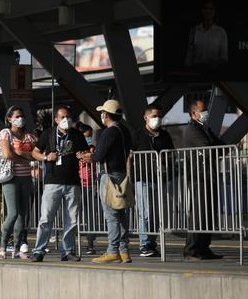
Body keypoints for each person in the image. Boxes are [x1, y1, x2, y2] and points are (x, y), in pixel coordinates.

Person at [29, 106, 89, 262]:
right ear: (56, 119)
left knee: (72, 220)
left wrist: (83, 155)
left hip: (73, 183)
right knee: (46, 218)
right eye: (62, 117)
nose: (65, 120)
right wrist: (45, 157)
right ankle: (39, 251)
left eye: (68, 117)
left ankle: (67, 251)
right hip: (52, 182)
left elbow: (86, 153)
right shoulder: (48, 134)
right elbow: (34, 152)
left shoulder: (77, 135)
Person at [82, 100, 134, 264]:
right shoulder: (124, 130)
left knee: (111, 216)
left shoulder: (109, 132)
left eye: (102, 113)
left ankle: (112, 251)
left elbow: (99, 157)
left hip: (109, 176)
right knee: (122, 213)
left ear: (106, 115)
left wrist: (89, 157)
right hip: (122, 175)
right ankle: (124, 251)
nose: (101, 116)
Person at [182, 100, 224, 260]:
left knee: (209, 214)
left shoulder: (204, 128)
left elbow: (219, 145)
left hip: (209, 176)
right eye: (203, 110)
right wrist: (216, 148)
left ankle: (204, 248)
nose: (206, 112)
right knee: (199, 214)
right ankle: (191, 250)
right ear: (194, 114)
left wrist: (218, 148)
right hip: (198, 177)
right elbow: (208, 148)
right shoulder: (192, 130)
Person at [133, 104, 174, 258]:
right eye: (154, 116)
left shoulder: (165, 135)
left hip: (159, 179)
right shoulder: (137, 135)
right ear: (146, 117)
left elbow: (171, 153)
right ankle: (144, 244)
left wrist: (166, 163)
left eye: (159, 116)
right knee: (145, 213)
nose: (157, 119)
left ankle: (152, 243)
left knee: (156, 214)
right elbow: (130, 156)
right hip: (142, 179)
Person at [0, 106, 36, 260]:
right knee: (12, 213)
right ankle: (3, 247)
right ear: (9, 119)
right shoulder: (5, 133)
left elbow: (35, 153)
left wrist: (22, 154)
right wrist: (26, 158)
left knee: (22, 215)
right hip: (11, 178)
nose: (20, 119)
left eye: (22, 116)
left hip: (26, 177)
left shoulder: (28, 136)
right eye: (17, 116)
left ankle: (17, 248)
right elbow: (7, 154)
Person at [184, 0, 228, 70]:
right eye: (205, 8)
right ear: (202, 11)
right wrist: (187, 68)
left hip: (214, 70)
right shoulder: (194, 30)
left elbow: (224, 57)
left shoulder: (221, 32)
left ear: (214, 12)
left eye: (210, 9)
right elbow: (190, 52)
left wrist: (216, 62)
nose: (208, 11)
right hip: (196, 69)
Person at [77, 122, 98, 255]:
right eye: (86, 136)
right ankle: (72, 244)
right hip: (77, 186)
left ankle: (90, 244)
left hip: (90, 185)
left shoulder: (93, 149)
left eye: (90, 136)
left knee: (90, 216)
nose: (89, 139)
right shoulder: (75, 149)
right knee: (74, 215)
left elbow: (98, 160)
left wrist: (92, 156)